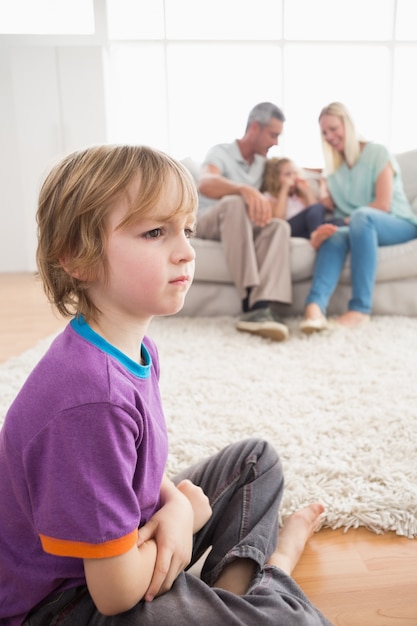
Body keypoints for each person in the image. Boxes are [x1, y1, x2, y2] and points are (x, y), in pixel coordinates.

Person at [0, 144, 332, 625]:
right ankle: (275, 571)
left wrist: (175, 502)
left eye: (187, 230)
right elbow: (114, 595)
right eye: (156, 232)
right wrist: (182, 521)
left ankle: (230, 595)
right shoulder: (91, 398)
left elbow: (134, 469)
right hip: (63, 603)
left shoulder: (131, 349)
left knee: (257, 460)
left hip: (128, 544)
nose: (186, 251)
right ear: (77, 258)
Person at [300, 101, 417, 334]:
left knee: (362, 217)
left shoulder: (377, 153)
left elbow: (382, 205)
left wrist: (346, 220)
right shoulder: (333, 170)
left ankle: (360, 309)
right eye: (324, 132)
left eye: (334, 128)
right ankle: (314, 308)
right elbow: (325, 202)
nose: (329, 136)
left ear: (348, 125)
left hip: (397, 223)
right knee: (334, 237)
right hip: (357, 228)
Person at [197, 102, 292, 342]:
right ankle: (249, 298)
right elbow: (205, 182)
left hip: (240, 226)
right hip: (209, 222)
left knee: (279, 226)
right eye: (273, 135)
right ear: (254, 128)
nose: (276, 142)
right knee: (235, 203)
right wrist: (242, 189)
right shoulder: (221, 152)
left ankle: (261, 305)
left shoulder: (262, 163)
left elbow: (294, 169)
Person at [260, 156, 344, 248]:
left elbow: (315, 215)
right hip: (288, 228)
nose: (293, 177)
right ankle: (315, 234)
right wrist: (284, 189)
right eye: (288, 174)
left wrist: (307, 191)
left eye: (295, 173)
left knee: (333, 222)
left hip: (305, 231)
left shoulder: (299, 196)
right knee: (318, 207)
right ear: (275, 177)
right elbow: (279, 219)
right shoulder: (270, 197)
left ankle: (320, 234)